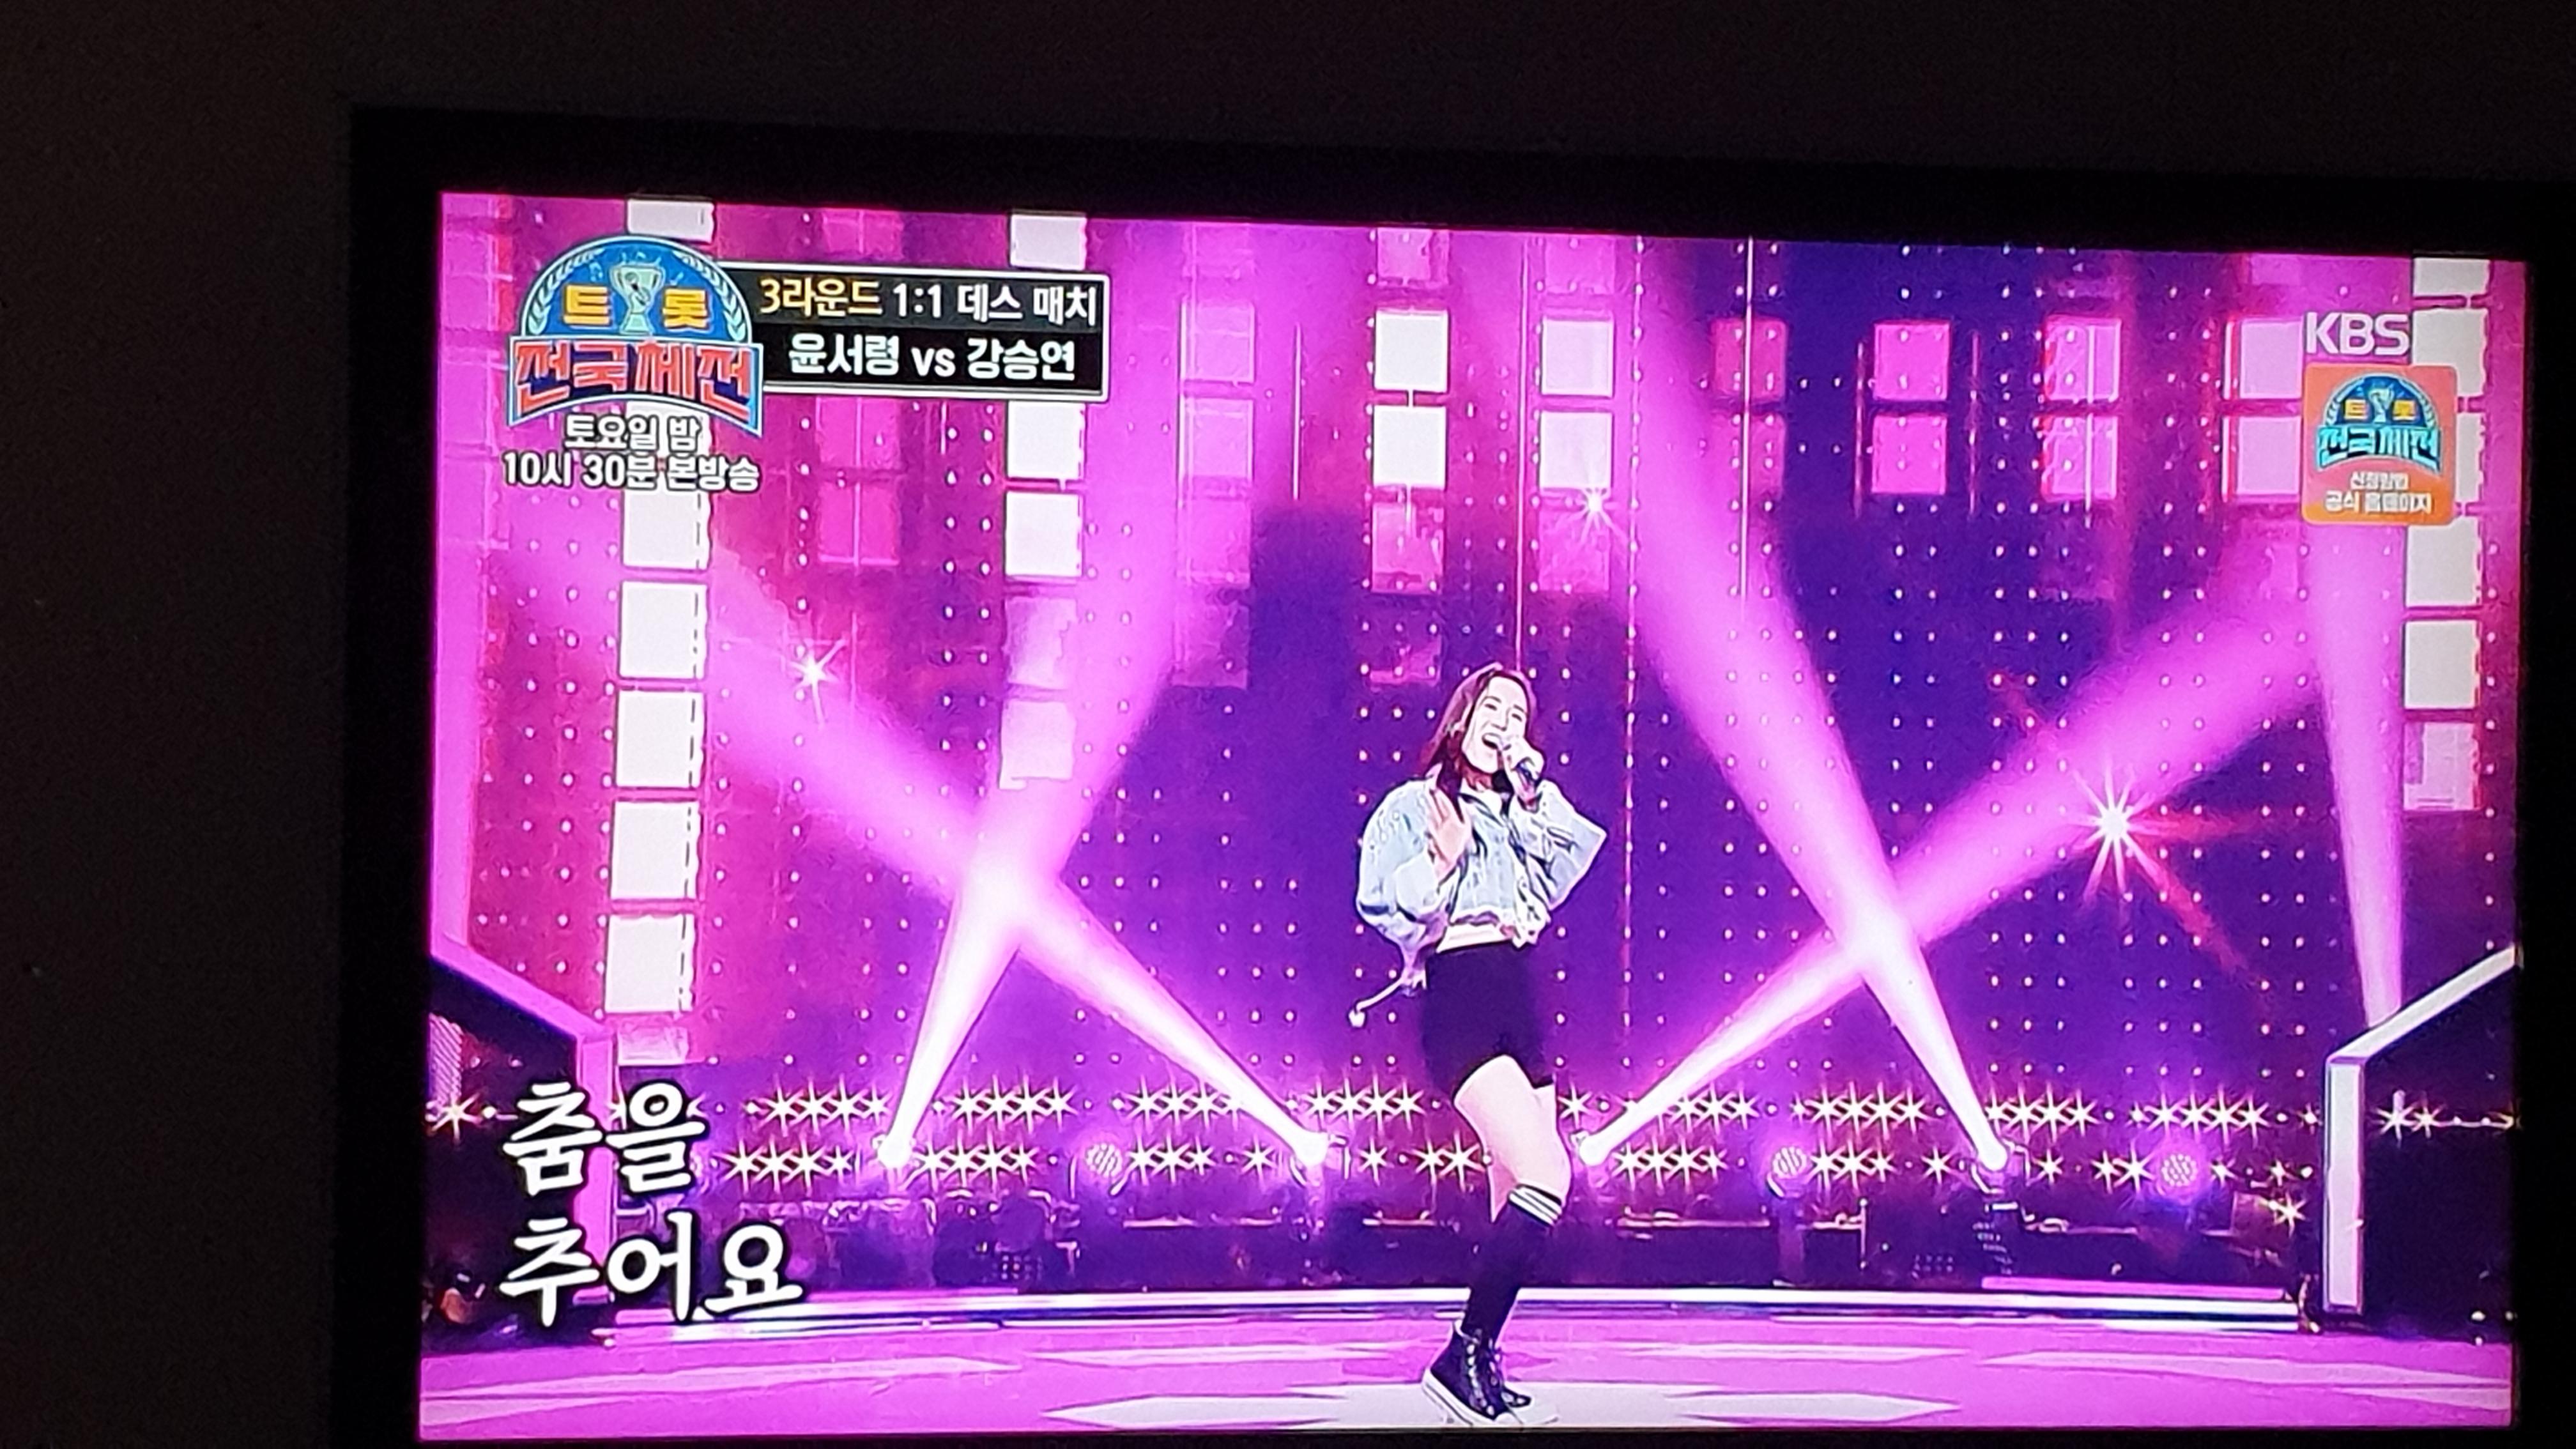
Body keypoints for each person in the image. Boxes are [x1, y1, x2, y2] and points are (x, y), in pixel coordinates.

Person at [1357, 663, 1606, 1427]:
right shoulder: (1416, 804)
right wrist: (1438, 861)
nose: (1504, 723)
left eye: (1518, 715)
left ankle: (1483, 1357)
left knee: (1517, 1200)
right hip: (1461, 989)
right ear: (1462, 719)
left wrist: (1532, 792)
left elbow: (1570, 865)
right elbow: (1379, 901)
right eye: (1492, 708)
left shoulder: (1522, 809)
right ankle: (1458, 1356)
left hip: (1520, 990)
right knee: (1548, 1173)